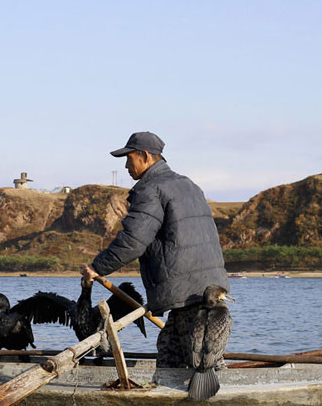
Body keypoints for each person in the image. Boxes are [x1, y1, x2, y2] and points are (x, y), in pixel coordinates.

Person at [81, 131, 230, 372]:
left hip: (187, 291)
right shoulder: (189, 185)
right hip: (208, 288)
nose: (127, 166)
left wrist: (97, 267)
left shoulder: (150, 189)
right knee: (180, 354)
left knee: (188, 361)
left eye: (129, 159)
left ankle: (204, 398)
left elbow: (133, 240)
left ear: (146, 156)